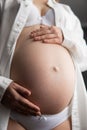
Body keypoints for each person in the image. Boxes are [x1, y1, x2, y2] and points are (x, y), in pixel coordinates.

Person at [0, 0, 87, 130]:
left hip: (63, 116)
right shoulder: (6, 2)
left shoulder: (67, 12)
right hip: (11, 111)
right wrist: (1, 86)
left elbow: (84, 58)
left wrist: (65, 37)